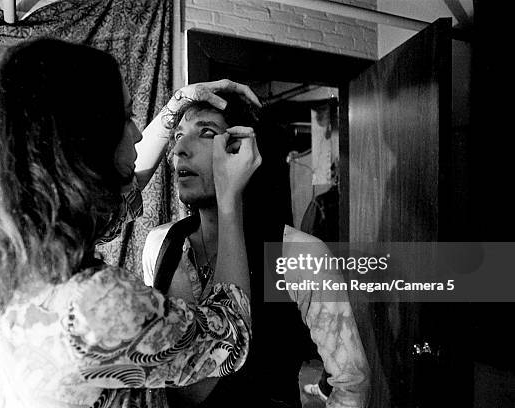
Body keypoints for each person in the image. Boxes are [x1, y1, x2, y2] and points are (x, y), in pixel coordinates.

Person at [0, 38, 263, 408]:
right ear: (82, 144)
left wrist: (177, 104)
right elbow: (230, 336)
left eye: (206, 133)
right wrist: (229, 201)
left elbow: (123, 192)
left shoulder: (18, 253)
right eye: (125, 117)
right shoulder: (100, 304)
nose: (139, 133)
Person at [142, 93, 370, 407]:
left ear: (243, 151)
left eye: (206, 133)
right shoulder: (160, 244)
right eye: (179, 135)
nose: (179, 149)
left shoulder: (299, 256)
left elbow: (351, 384)